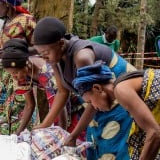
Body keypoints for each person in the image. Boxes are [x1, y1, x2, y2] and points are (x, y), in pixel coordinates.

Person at [32, 17, 136, 159]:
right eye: (41, 55)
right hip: (96, 103)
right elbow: (63, 91)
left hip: (119, 101)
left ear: (61, 43)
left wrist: (74, 134)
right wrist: (45, 124)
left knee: (113, 148)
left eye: (46, 53)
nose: (44, 59)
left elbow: (97, 97)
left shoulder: (82, 57)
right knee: (94, 144)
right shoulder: (55, 59)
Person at [0, 0, 36, 134]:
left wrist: (16, 52)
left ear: (7, 4)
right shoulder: (5, 23)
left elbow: (40, 48)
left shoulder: (26, 20)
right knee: (1, 117)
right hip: (3, 79)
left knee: (18, 113)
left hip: (19, 77)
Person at [0, 39, 68, 134]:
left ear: (26, 65)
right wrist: (18, 132)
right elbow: (30, 105)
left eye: (16, 73)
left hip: (72, 100)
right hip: (59, 103)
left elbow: (60, 103)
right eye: (11, 74)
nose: (14, 77)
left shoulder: (47, 72)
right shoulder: (23, 74)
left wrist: (62, 133)